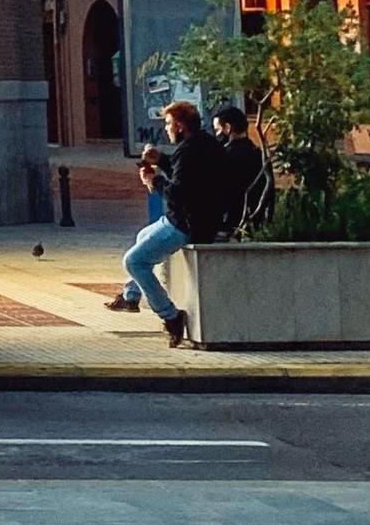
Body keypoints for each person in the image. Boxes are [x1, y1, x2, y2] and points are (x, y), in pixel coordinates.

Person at [107, 99, 222, 346]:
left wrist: (153, 181)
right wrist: (162, 161)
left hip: (186, 225)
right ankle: (131, 295)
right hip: (197, 218)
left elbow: (179, 193)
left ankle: (170, 316)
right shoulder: (203, 144)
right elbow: (188, 178)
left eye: (169, 124)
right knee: (143, 237)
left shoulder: (188, 151)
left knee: (134, 261)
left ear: (180, 126)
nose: (166, 129)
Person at [211, 105, 265, 236]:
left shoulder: (224, 156)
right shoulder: (258, 153)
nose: (216, 135)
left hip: (229, 223)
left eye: (217, 130)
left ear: (227, 128)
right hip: (255, 220)